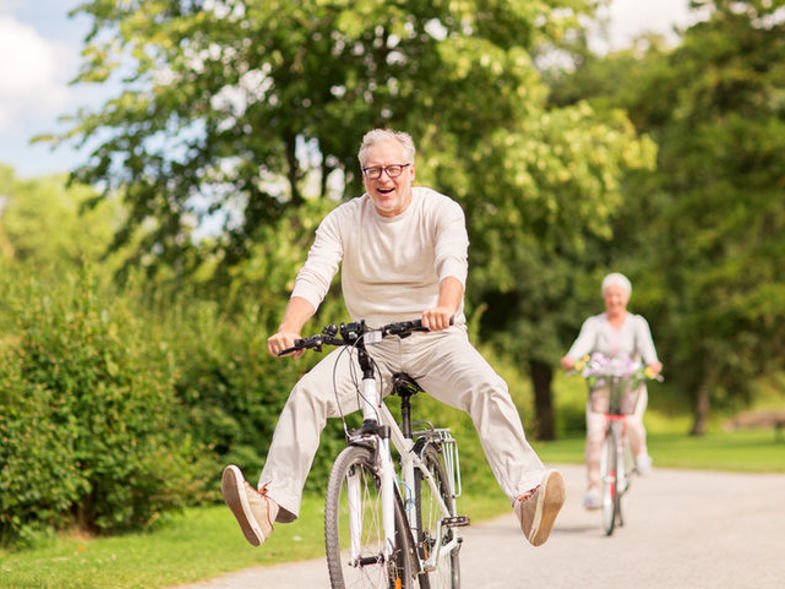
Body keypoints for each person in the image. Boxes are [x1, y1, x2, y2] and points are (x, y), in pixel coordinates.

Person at [221, 128, 566, 550]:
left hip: (436, 339)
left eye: (393, 169)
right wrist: (289, 328)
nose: (384, 178)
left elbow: (452, 262)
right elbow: (315, 275)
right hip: (369, 346)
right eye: (373, 171)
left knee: (488, 387)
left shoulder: (440, 210)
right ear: (362, 175)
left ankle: (528, 496)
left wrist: (445, 306)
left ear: (411, 171)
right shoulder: (343, 220)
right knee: (307, 393)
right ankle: (269, 505)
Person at [560, 272, 663, 510]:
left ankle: (640, 456)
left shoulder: (637, 324)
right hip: (602, 387)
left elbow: (648, 351)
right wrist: (571, 358)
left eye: (618, 296)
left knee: (633, 423)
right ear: (604, 298)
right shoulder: (594, 324)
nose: (614, 300)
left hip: (630, 386)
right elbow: (581, 344)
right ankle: (594, 489)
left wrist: (653, 363)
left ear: (626, 297)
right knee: (595, 434)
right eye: (610, 296)